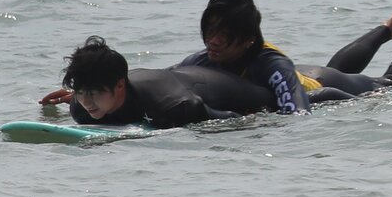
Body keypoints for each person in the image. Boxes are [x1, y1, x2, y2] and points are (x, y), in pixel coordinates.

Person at [179, 0, 392, 113]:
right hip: (312, 74)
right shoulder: (202, 59)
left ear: (246, 40)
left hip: (324, 86)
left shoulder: (269, 64)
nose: (213, 41)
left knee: (391, 83)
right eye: (210, 31)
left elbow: (296, 111)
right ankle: (388, 29)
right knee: (338, 67)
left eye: (224, 35)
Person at [39, 36, 271, 128]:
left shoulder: (174, 107)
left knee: (274, 101)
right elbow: (88, 95)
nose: (87, 102)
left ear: (119, 86)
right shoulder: (80, 108)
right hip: (176, 76)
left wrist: (260, 120)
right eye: (81, 92)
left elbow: (233, 120)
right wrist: (79, 93)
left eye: (94, 93)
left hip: (218, 88)